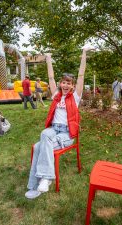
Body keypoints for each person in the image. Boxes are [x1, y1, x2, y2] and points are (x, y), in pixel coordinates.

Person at [25, 47, 93, 199]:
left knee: (39, 146)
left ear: (73, 85)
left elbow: (81, 75)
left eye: (69, 83)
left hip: (67, 134)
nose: (65, 85)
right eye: (63, 82)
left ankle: (41, 181)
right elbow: (50, 77)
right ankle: (41, 182)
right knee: (43, 137)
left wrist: (83, 54)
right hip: (54, 130)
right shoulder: (56, 94)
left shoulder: (75, 96)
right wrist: (48, 58)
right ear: (60, 84)